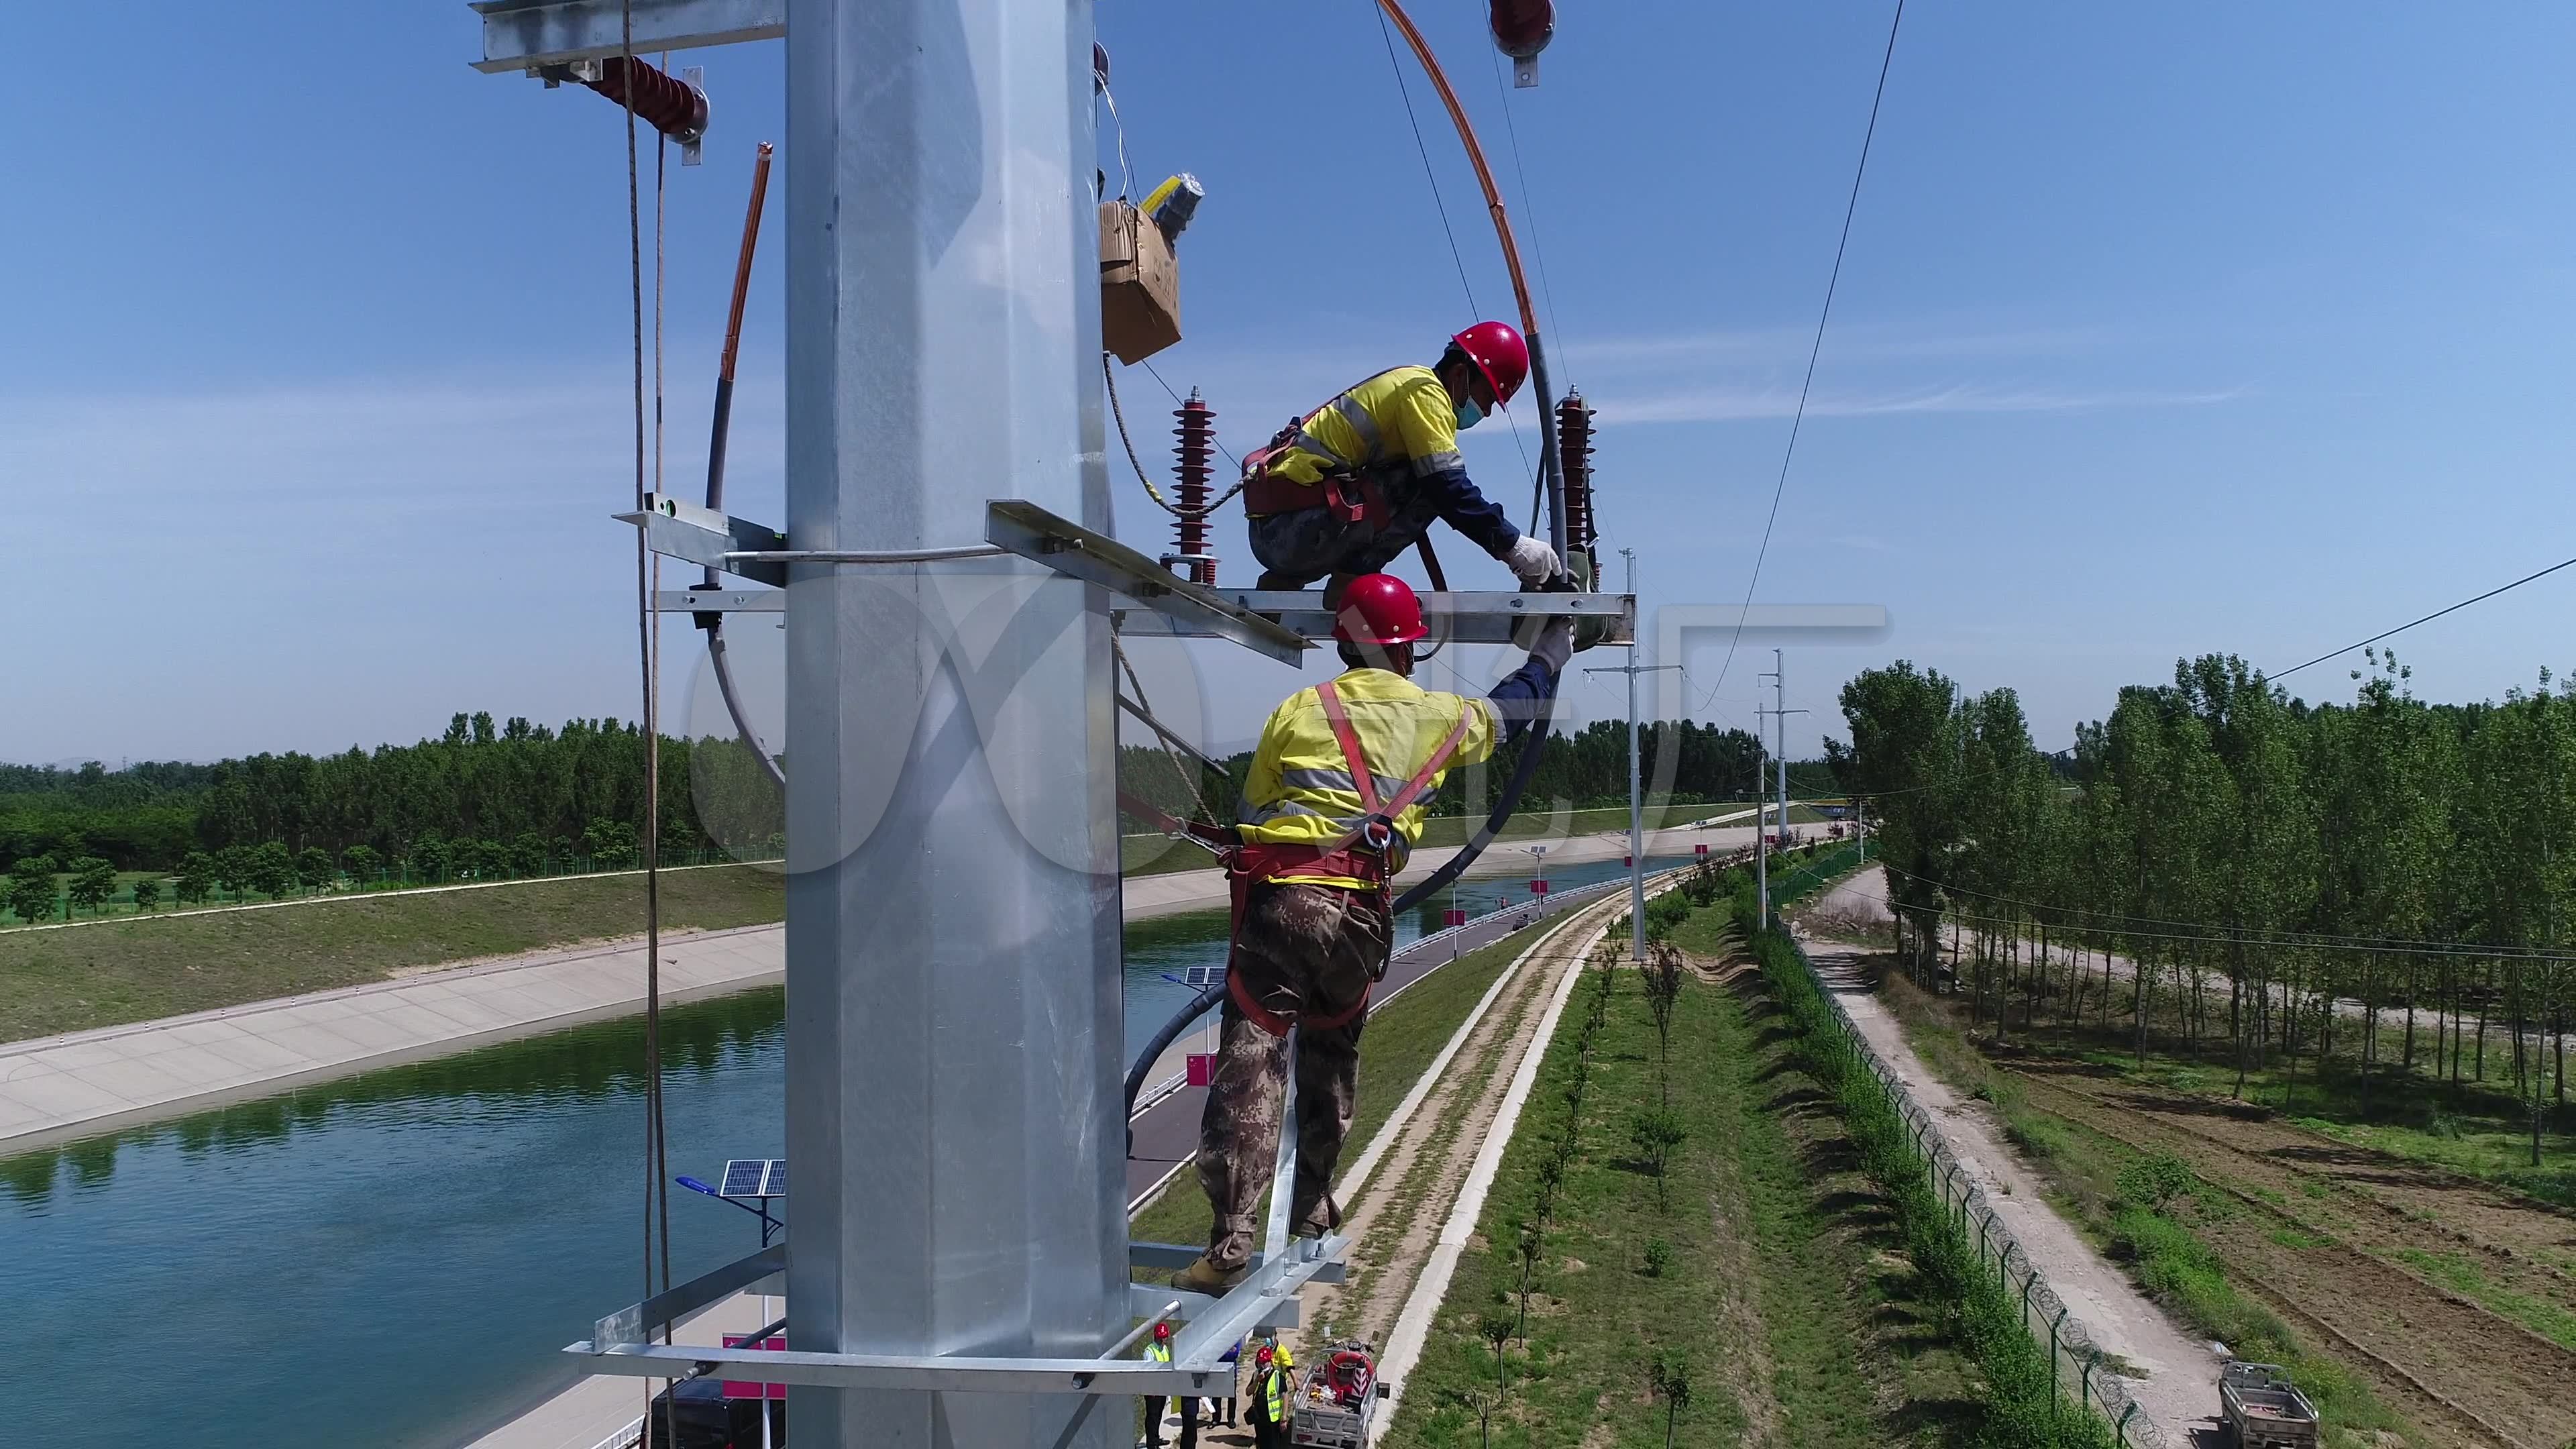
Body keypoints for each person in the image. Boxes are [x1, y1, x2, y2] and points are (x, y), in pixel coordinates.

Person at [1172, 574, 1570, 1294]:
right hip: (1362, 917)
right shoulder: (1437, 716)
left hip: (1287, 906)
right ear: (1409, 649)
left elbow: (1256, 807)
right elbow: (1511, 711)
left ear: (1344, 643)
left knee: (1252, 1062)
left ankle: (1231, 1246)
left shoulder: (1299, 709)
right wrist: (1550, 657)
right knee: (1331, 1057)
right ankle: (1313, 1208)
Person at [1239, 322, 1561, 594]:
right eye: (1488, 397)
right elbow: (1448, 488)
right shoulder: (1426, 393)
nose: (1487, 412)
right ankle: (1350, 582)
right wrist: (1513, 545)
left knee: (1429, 476)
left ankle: (1285, 581)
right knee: (1431, 483)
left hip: (1276, 532)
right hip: (1291, 530)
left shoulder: (1409, 382)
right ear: (1461, 373)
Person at [1142, 1320, 1199, 1449]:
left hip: (1163, 1389)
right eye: (1163, 1338)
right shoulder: (1150, 1351)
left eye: (1166, 1337)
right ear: (1157, 1337)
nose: (1165, 1340)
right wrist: (1151, 1390)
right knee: (1152, 1417)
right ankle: (1151, 1443)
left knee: (1158, 1416)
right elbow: (1147, 1373)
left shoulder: (1165, 1349)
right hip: (1153, 1392)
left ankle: (1156, 1439)